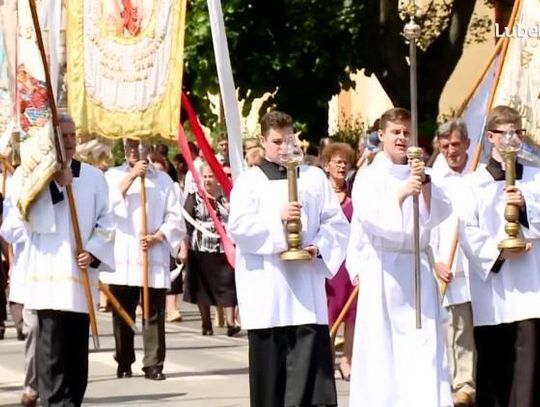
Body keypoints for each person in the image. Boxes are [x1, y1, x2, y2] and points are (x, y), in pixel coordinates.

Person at [228, 111, 350, 407]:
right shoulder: (249, 181)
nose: (283, 148)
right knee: (271, 383)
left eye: (288, 139)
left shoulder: (314, 178)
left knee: (311, 384)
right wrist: (277, 219)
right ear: (262, 141)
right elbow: (239, 229)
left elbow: (336, 223)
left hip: (305, 293)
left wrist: (317, 248)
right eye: (276, 141)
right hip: (268, 293)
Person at [2, 113, 115, 406]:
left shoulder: (93, 177)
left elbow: (107, 222)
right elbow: (15, 226)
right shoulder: (31, 179)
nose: (69, 142)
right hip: (48, 287)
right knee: (52, 367)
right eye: (62, 137)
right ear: (50, 142)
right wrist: (54, 187)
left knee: (77, 369)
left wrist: (91, 251)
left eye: (72, 136)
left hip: (78, 285)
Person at [346, 107, 453, 407]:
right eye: (396, 132)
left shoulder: (421, 172)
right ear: (381, 135)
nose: (402, 138)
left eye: (407, 132)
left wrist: (425, 186)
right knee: (384, 353)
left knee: (425, 348)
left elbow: (439, 214)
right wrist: (401, 194)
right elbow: (372, 219)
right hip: (385, 270)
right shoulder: (368, 177)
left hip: (416, 267)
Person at [459, 105, 540, 407]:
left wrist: (525, 209)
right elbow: (467, 231)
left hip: (531, 290)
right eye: (505, 134)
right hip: (492, 291)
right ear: (491, 136)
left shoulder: (535, 178)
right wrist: (499, 252)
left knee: (528, 373)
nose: (512, 140)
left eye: (517, 133)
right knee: (495, 371)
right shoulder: (473, 183)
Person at [100, 138, 185, 381]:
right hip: (124, 251)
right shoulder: (113, 176)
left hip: (152, 250)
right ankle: (124, 360)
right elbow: (107, 207)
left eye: (140, 146)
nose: (135, 150)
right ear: (124, 148)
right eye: (130, 145)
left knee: (152, 311)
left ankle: (153, 363)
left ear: (148, 148)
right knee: (122, 312)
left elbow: (175, 217)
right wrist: (130, 178)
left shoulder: (164, 181)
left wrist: (159, 235)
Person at [430, 119, 476, 407]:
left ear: (467, 144)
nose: (450, 151)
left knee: (482, 328)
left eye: (455, 145)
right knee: (456, 330)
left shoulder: (480, 174)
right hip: (449, 264)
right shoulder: (435, 179)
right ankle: (463, 385)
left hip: (483, 268)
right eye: (445, 146)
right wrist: (435, 260)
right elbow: (429, 224)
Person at [182, 164, 239, 336]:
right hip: (201, 249)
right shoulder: (195, 198)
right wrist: (184, 247)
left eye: (211, 176)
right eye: (205, 177)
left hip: (224, 249)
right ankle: (206, 322)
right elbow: (186, 224)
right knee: (202, 288)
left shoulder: (227, 197)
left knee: (228, 286)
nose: (207, 180)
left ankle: (230, 322)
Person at [321, 142, 356, 381]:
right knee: (329, 312)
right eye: (337, 162)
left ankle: (348, 360)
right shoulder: (321, 193)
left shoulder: (355, 193)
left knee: (352, 313)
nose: (342, 166)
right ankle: (328, 358)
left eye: (345, 162)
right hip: (328, 262)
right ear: (327, 165)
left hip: (351, 260)